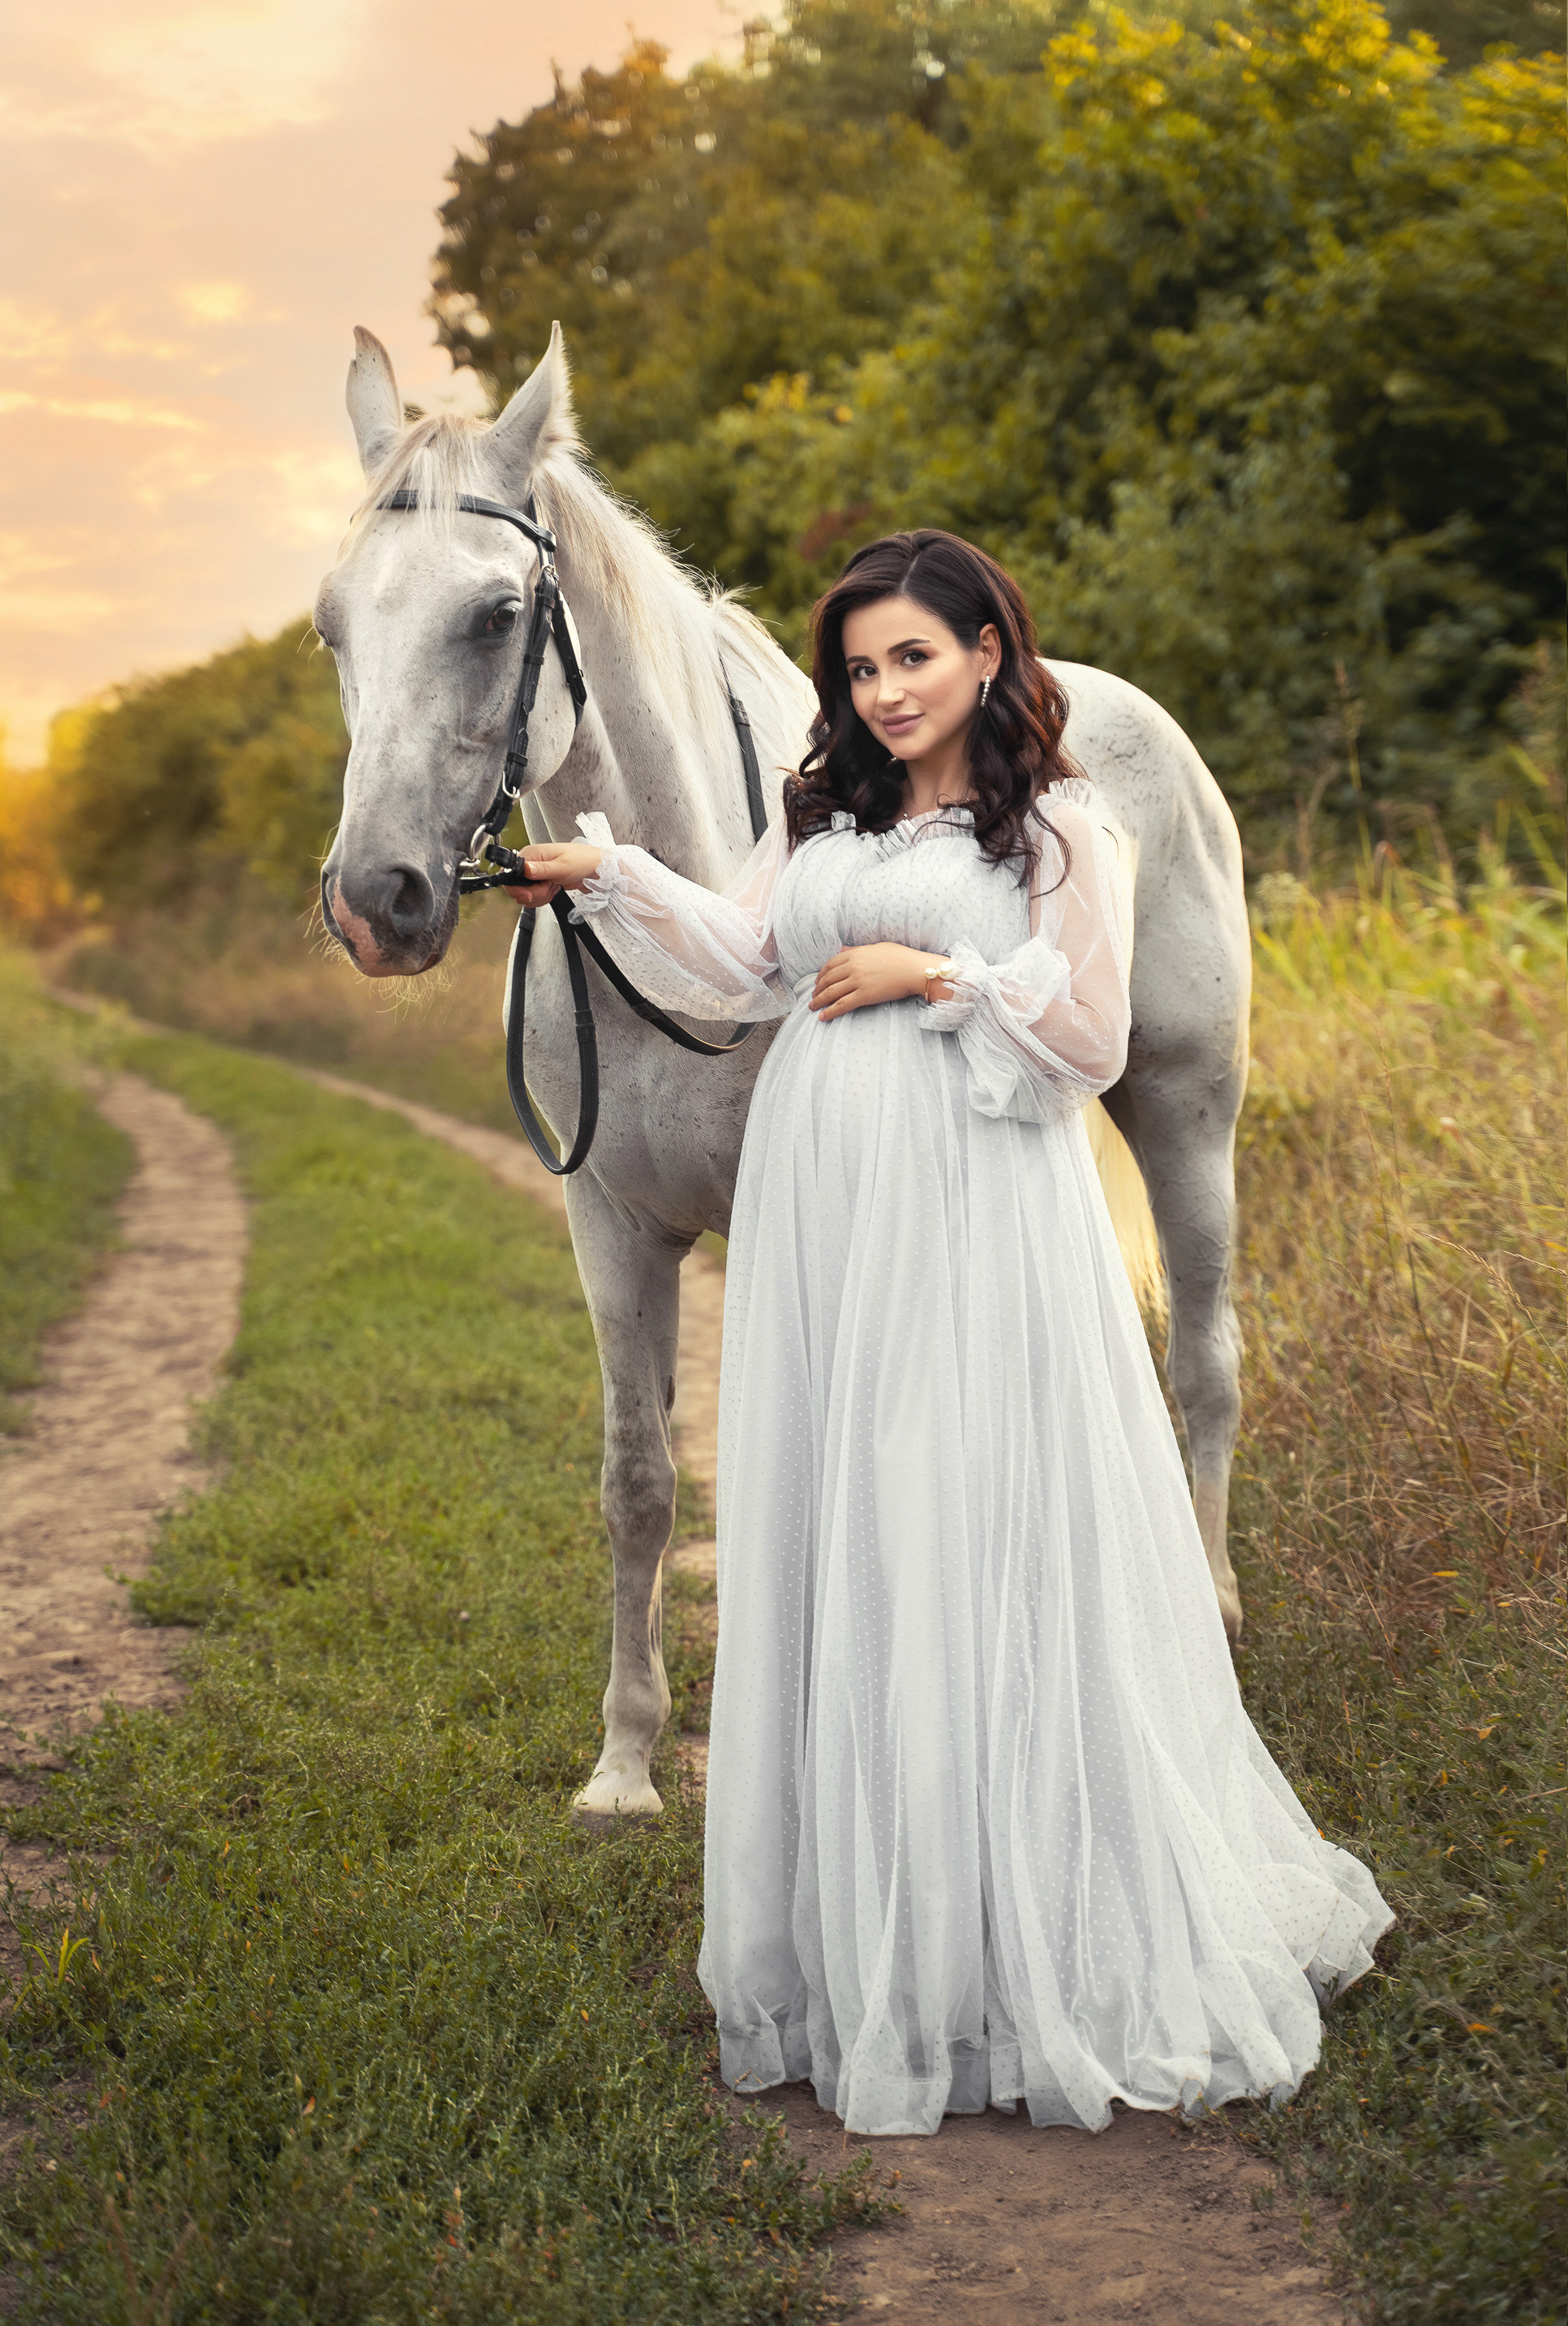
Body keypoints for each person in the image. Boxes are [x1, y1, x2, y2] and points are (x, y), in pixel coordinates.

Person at [511, 529, 1391, 2139]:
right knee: (856, 1520)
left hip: (978, 1199)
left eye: (912, 654)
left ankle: (1030, 1929)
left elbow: (1091, 1035)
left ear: (989, 651)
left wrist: (941, 971)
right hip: (830, 1197)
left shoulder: (1063, 824)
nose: (884, 688)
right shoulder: (826, 815)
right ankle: (874, 1932)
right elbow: (742, 962)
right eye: (859, 665)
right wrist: (615, 875)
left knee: (969, 1506)